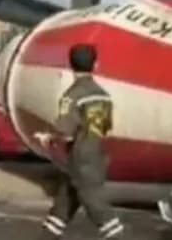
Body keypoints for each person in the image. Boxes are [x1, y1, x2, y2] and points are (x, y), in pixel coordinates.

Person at [36, 43, 125, 240]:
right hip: (97, 156)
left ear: (70, 65)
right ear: (96, 65)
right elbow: (104, 127)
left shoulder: (72, 96)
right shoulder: (104, 96)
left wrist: (48, 138)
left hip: (79, 159)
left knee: (97, 208)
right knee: (62, 207)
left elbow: (66, 132)